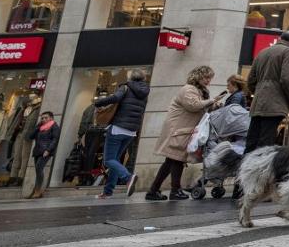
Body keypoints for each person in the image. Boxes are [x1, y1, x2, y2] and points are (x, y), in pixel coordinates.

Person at [147, 65, 223, 200]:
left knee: (171, 161)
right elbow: (193, 106)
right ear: (198, 76)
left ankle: (154, 191)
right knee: (176, 160)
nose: (208, 81)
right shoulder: (188, 89)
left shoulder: (198, 91)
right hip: (178, 130)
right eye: (206, 77)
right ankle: (174, 191)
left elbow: (200, 107)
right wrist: (212, 101)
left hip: (182, 130)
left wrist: (214, 105)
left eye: (210, 78)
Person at [93, 69, 150, 199]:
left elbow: (115, 98)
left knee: (108, 160)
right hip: (131, 131)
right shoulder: (145, 92)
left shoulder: (125, 87)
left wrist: (97, 102)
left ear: (130, 77)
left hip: (118, 127)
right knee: (115, 160)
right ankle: (108, 191)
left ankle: (128, 177)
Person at [246, 31, 289, 153]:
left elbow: (250, 80)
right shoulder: (288, 52)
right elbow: (286, 79)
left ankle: (243, 167)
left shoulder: (262, 52)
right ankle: (259, 170)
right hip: (275, 104)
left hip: (258, 103)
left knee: (252, 140)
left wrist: (258, 92)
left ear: (280, 38)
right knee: (265, 143)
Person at [28, 112, 60, 199]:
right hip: (37, 151)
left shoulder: (54, 127)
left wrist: (48, 150)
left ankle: (38, 191)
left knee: (39, 168)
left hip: (46, 152)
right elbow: (30, 136)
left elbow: (55, 140)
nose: (43, 120)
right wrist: (37, 127)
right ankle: (36, 191)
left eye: (46, 118)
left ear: (51, 118)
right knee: (38, 171)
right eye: (42, 118)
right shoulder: (40, 127)